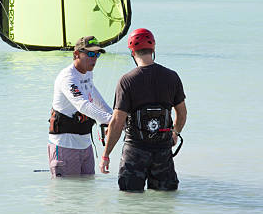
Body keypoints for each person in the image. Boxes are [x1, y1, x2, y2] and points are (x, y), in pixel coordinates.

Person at [99, 28, 187, 191]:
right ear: (153, 49)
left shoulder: (127, 81)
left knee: (130, 203)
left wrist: (106, 155)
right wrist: (175, 133)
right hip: (162, 151)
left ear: (132, 52)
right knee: (165, 202)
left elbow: (117, 122)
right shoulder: (172, 77)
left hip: (134, 151)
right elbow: (182, 113)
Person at [48, 36, 113, 177]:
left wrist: (113, 116)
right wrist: (112, 121)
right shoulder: (68, 78)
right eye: (90, 54)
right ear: (76, 54)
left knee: (87, 191)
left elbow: (96, 98)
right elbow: (83, 105)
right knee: (69, 195)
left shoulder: (88, 72)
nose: (94, 58)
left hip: (86, 145)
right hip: (66, 145)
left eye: (97, 54)